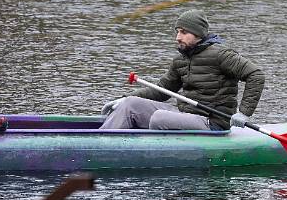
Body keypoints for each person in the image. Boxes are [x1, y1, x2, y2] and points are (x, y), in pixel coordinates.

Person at [98, 9, 264, 131]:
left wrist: (243, 113)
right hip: (184, 114)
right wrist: (125, 98)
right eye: (177, 32)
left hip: (212, 122)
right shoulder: (181, 59)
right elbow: (161, 91)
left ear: (198, 33)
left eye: (184, 32)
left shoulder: (221, 55)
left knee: (159, 117)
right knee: (130, 105)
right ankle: (100, 145)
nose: (178, 37)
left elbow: (255, 75)